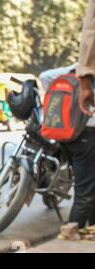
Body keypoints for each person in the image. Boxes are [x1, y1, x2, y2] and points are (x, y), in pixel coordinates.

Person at [65, 0, 95, 229]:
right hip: (86, 132)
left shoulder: (57, 75)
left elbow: (90, 31)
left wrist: (84, 78)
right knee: (85, 190)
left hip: (80, 133)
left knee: (85, 189)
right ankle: (74, 228)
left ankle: (77, 228)